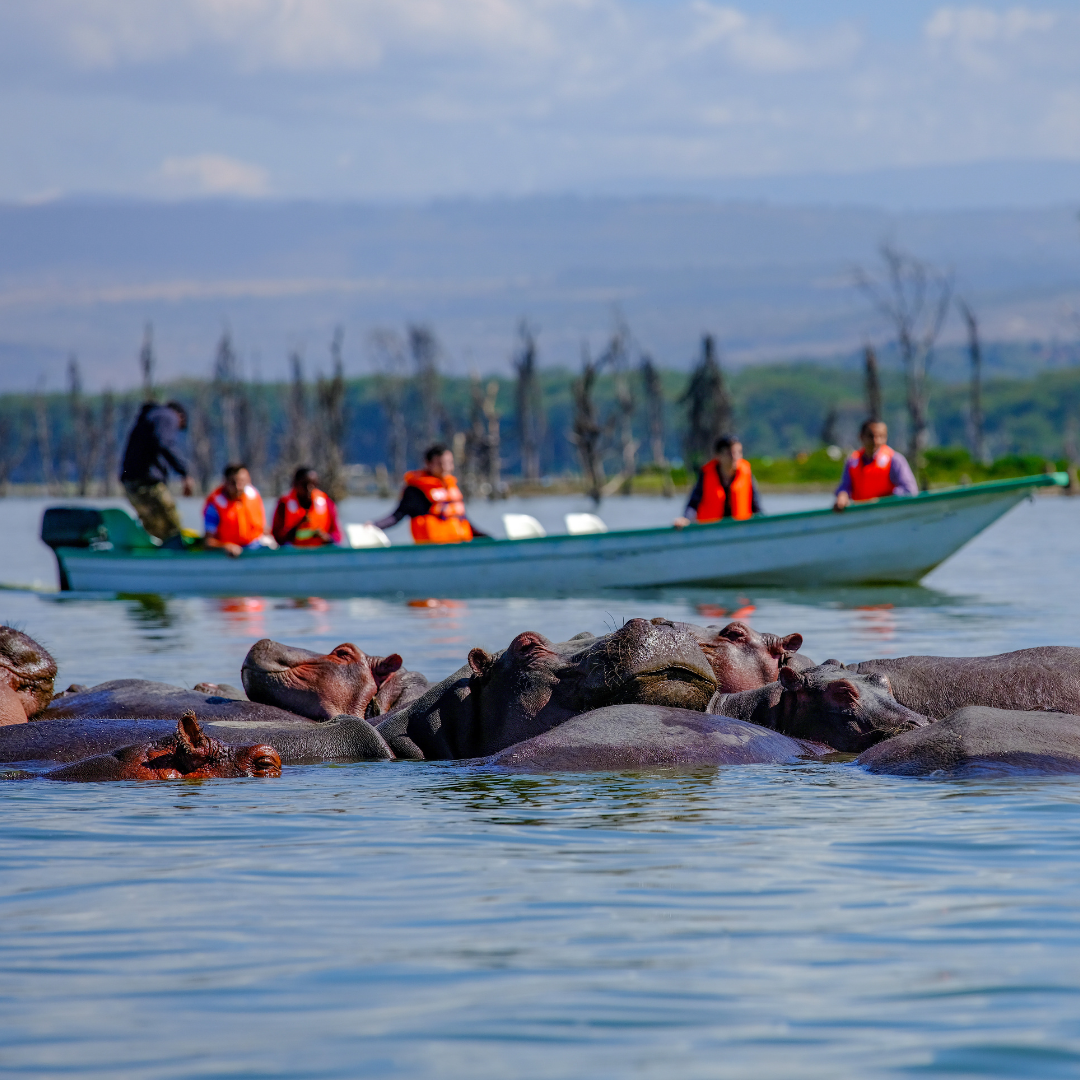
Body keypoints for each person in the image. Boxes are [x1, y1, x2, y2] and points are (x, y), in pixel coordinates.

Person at [371, 444, 488, 544]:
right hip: (433, 549)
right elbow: (397, 516)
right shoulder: (416, 491)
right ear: (428, 464)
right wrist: (374, 526)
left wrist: (487, 539)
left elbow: (463, 520)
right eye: (440, 463)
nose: (446, 468)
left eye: (449, 463)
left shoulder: (450, 487)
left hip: (459, 545)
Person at [119, 400, 194, 544]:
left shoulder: (150, 416)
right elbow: (165, 443)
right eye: (179, 427)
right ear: (181, 417)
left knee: (155, 528)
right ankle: (178, 560)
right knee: (172, 527)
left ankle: (158, 559)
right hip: (148, 483)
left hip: (131, 484)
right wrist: (184, 472)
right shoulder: (168, 416)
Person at [674, 435, 762, 528]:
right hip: (712, 531)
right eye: (730, 453)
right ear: (718, 456)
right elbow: (693, 505)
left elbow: (757, 508)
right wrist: (685, 519)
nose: (735, 457)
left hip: (740, 531)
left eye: (738, 452)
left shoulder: (746, 474)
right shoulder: (706, 475)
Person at [833, 419, 918, 511]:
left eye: (881, 436)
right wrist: (842, 496)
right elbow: (845, 487)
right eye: (871, 436)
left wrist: (883, 499)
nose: (876, 441)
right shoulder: (852, 461)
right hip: (861, 514)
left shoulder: (895, 460)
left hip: (887, 512)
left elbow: (910, 490)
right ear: (861, 437)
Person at [203, 464, 277, 557]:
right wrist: (226, 546)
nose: (238, 487)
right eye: (233, 483)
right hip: (230, 554)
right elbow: (208, 542)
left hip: (255, 545)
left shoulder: (253, 496)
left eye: (242, 482)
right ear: (225, 482)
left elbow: (262, 527)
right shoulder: (215, 504)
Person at [272, 467, 342, 547]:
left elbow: (337, 535)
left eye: (314, 484)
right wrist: (298, 526)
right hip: (294, 552)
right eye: (304, 485)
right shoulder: (284, 503)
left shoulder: (326, 502)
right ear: (295, 484)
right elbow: (278, 536)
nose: (309, 488)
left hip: (320, 551)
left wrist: (327, 538)